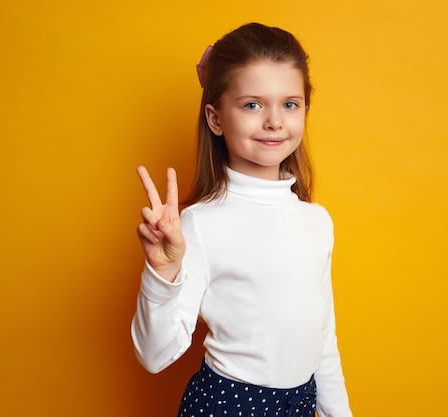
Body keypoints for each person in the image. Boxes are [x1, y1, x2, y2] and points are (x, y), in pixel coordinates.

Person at [131, 22, 353, 417]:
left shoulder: (317, 221)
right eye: (253, 104)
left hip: (299, 404)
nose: (274, 121)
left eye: (290, 104)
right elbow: (154, 356)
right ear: (216, 119)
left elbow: (323, 338)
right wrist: (162, 273)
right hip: (227, 406)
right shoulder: (200, 223)